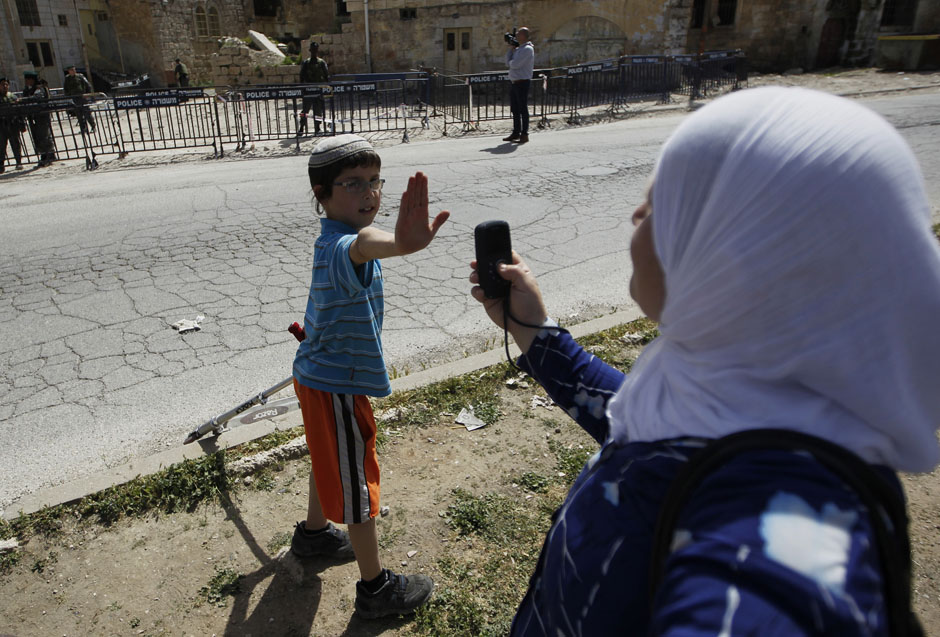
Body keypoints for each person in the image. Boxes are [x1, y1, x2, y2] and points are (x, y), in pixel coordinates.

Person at [470, 87, 940, 635]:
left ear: (738, 251)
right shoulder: (741, 395)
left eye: (661, 206)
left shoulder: (778, 532)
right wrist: (534, 331)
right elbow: (631, 420)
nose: (635, 214)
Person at [290, 134, 450, 619]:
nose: (370, 193)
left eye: (375, 180)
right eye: (352, 183)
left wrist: (396, 241)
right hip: (335, 384)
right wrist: (403, 242)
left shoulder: (331, 241)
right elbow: (363, 246)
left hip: (319, 375)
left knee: (330, 455)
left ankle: (314, 536)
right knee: (357, 480)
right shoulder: (342, 245)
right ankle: (375, 589)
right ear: (322, 194)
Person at [503, 26, 534, 145]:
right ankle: (516, 132)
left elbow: (515, 64)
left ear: (524, 36)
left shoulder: (527, 49)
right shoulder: (518, 49)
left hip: (522, 82)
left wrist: (511, 60)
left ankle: (524, 134)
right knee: (515, 109)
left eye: (519, 34)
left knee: (522, 109)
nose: (516, 35)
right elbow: (507, 62)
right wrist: (511, 49)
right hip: (514, 82)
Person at [21, 70, 56, 168]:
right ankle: (44, 155)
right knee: (37, 136)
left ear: (32, 79)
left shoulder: (39, 88)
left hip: (42, 115)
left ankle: (49, 155)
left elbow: (37, 98)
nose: (26, 82)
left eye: (27, 80)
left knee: (44, 135)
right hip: (33, 116)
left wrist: (24, 100)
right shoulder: (28, 89)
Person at [297, 41, 330, 136]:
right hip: (308, 90)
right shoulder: (306, 63)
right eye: (313, 50)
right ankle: (301, 128)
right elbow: (302, 76)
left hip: (318, 90)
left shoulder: (321, 62)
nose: (314, 52)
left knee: (318, 110)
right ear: (310, 51)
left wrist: (327, 88)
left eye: (315, 50)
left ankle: (317, 128)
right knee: (305, 110)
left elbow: (326, 76)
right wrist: (302, 88)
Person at [0, 77, 24, 172]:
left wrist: (22, 124)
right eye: (2, 84)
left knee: (16, 143)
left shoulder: (12, 97)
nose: (5, 86)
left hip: (13, 124)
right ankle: (1, 164)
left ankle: (18, 161)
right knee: (1, 145)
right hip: (1, 125)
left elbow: (19, 110)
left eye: (6, 84)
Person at [63, 65, 95, 134]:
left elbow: (88, 85)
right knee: (79, 115)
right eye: (71, 70)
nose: (73, 71)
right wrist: (68, 96)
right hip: (74, 98)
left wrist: (88, 95)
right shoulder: (67, 78)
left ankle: (93, 126)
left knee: (87, 113)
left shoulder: (80, 76)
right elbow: (66, 89)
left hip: (82, 97)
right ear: (69, 71)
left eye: (74, 69)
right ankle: (83, 128)